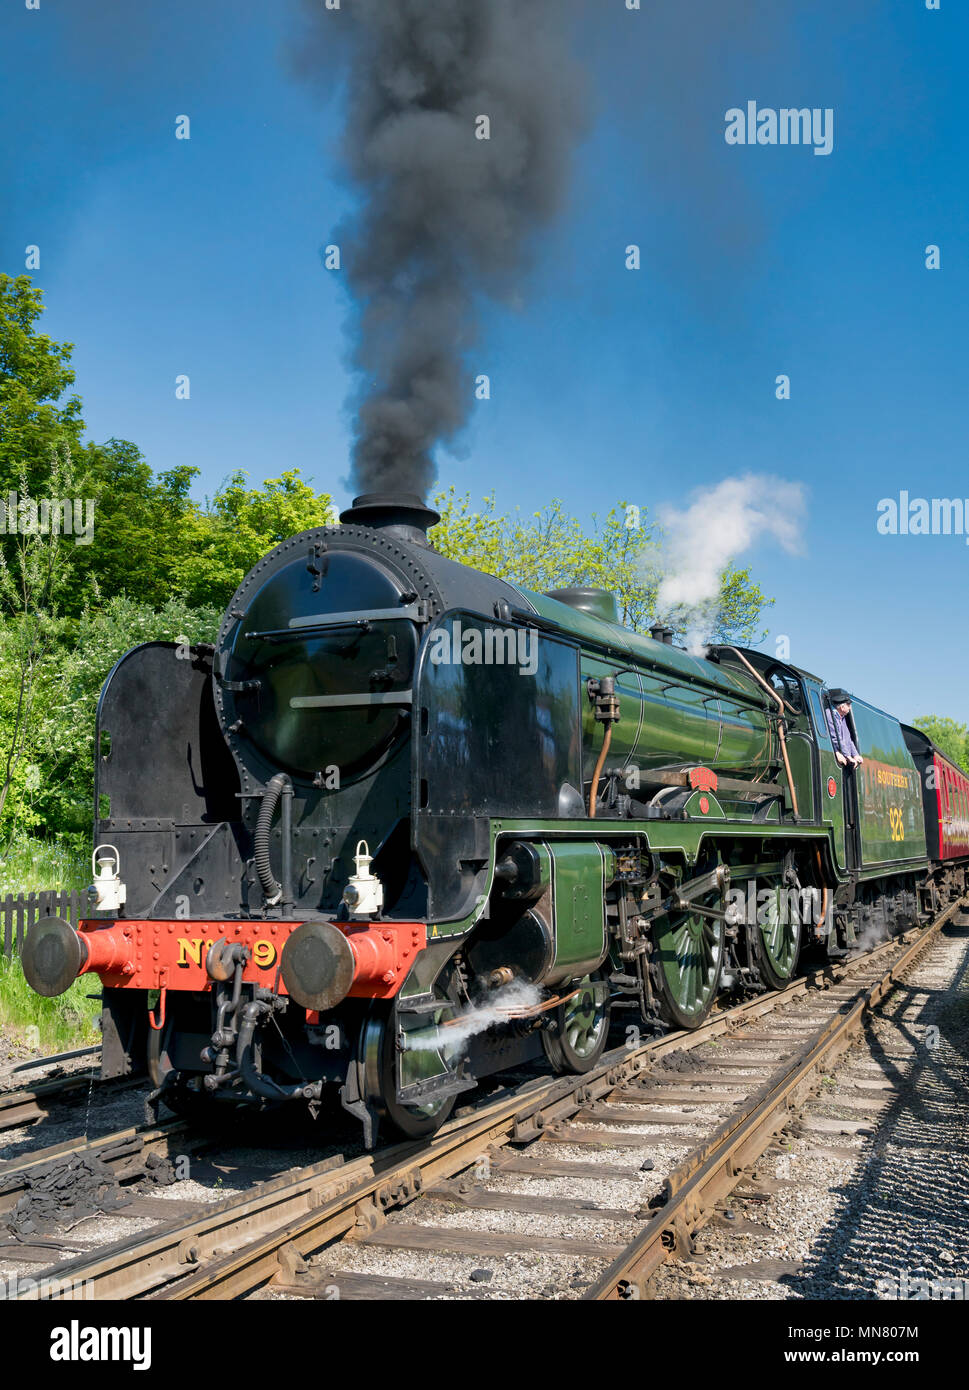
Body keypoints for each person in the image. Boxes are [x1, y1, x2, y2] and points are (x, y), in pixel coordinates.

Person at [825, 689, 863, 769]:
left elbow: (848, 739)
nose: (850, 708)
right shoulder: (830, 715)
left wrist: (855, 754)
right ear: (842, 707)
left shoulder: (842, 718)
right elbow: (835, 738)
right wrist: (848, 756)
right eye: (848, 705)